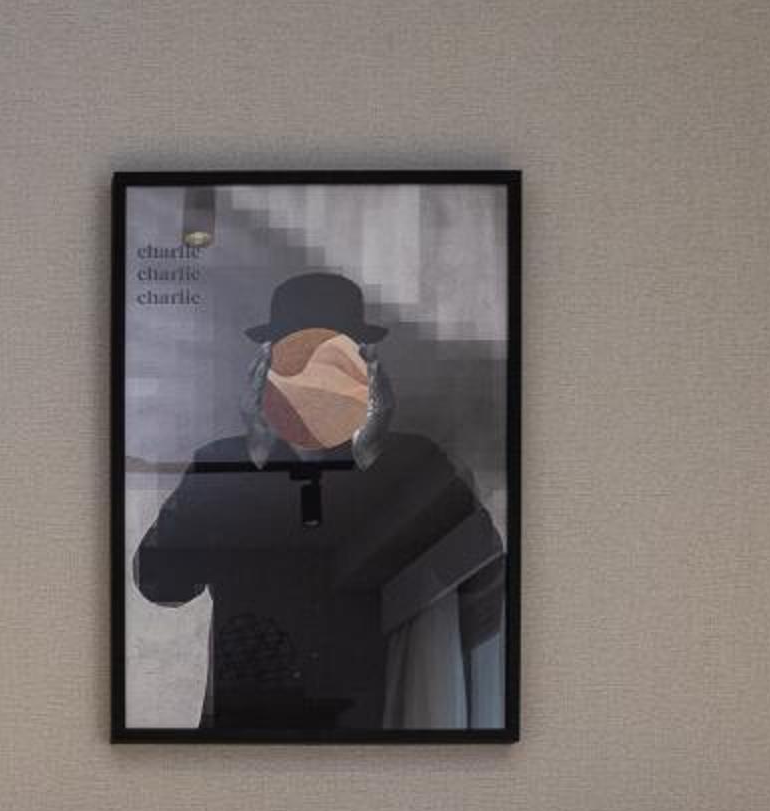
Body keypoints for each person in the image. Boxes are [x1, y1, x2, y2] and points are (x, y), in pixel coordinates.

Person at [133, 271, 500, 732]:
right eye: (297, 363)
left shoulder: (413, 463)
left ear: (365, 370)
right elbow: (161, 582)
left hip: (381, 726)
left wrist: (372, 459)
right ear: (266, 372)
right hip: (246, 729)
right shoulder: (224, 463)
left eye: (334, 362)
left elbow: (483, 582)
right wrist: (253, 461)